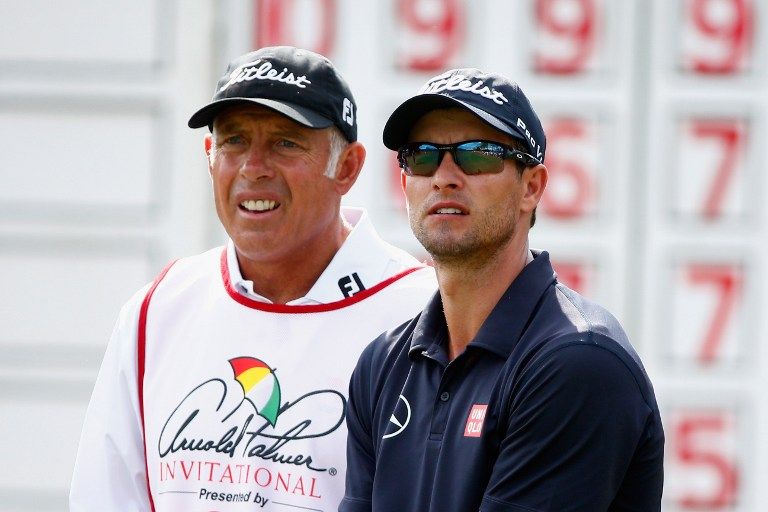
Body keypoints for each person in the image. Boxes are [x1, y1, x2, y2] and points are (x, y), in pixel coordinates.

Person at [69, 46, 436, 512]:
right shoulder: (158, 310)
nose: (253, 167)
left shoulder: (424, 314)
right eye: (234, 141)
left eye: (285, 142)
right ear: (209, 156)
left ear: (347, 168)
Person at [341, 68, 664, 512]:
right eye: (422, 156)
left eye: (477, 156)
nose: (445, 177)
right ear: (404, 183)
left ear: (531, 187)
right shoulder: (382, 365)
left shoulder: (579, 360)